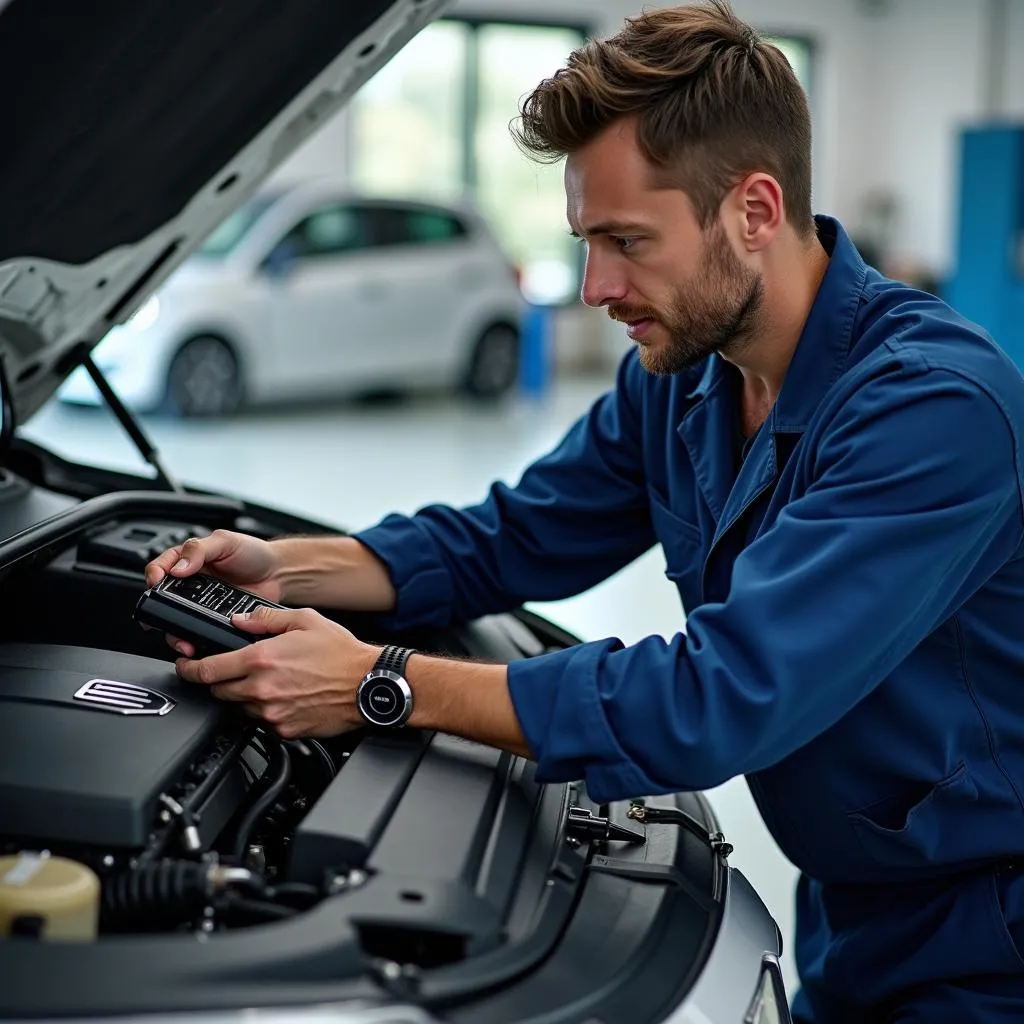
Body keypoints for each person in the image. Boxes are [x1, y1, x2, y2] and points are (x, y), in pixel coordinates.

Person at [145, 2, 1024, 1019]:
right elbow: (514, 533)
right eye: (582, 241)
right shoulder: (683, 372)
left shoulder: (933, 411)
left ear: (752, 210)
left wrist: (378, 683)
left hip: (989, 937)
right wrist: (287, 565)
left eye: (626, 241)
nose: (595, 285)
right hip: (850, 909)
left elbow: (717, 696)